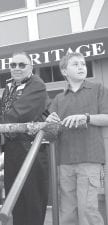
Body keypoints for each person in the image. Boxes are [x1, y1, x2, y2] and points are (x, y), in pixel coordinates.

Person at [46, 52, 108, 225]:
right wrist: (49, 121)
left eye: (83, 64)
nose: (81, 67)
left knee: (88, 211)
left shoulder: (98, 89)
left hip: (90, 159)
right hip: (64, 162)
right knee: (67, 214)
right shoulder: (58, 99)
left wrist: (86, 117)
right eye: (76, 64)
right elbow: (50, 132)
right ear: (64, 71)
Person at [0, 52, 49, 225]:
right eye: (13, 65)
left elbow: (19, 114)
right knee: (16, 201)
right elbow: (6, 115)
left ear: (31, 67)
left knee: (33, 201)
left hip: (32, 148)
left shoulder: (37, 84)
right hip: (12, 150)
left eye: (21, 65)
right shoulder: (8, 87)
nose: (16, 68)